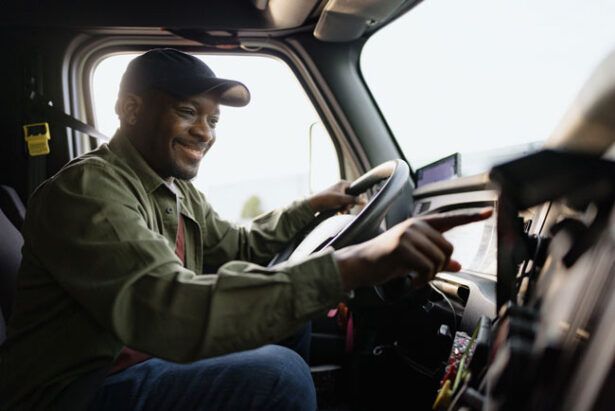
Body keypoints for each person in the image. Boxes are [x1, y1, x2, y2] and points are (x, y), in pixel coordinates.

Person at [0, 48, 491, 410]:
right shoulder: (86, 193)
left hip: (137, 357)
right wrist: (351, 265)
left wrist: (312, 207)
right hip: (74, 388)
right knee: (278, 375)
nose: (205, 132)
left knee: (288, 323)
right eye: (188, 112)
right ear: (130, 110)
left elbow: (239, 245)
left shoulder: (171, 187)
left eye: (213, 120)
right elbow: (170, 310)